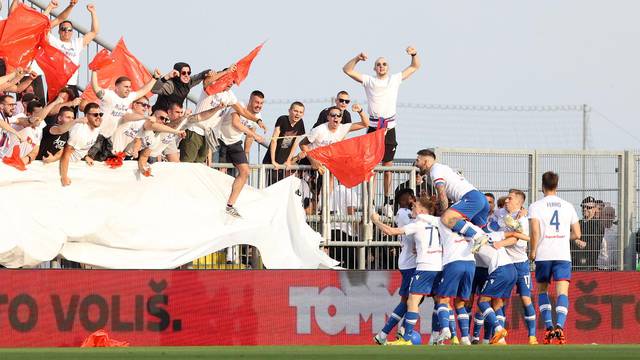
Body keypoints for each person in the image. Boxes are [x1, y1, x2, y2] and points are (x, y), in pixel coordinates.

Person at [343, 46, 420, 215]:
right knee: (370, 166)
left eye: (384, 64)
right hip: (373, 127)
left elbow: (415, 66)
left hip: (389, 127)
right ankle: (369, 200)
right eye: (378, 64)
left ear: (388, 67)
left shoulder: (394, 79)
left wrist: (413, 54)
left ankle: (386, 201)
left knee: (388, 166)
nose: (381, 66)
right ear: (374, 68)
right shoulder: (369, 81)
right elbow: (347, 69)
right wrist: (357, 58)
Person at [371, 197, 441, 346]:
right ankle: (438, 337)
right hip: (438, 266)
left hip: (419, 266)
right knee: (439, 301)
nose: (412, 209)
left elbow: (390, 231)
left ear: (422, 211)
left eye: (414, 207)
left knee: (411, 301)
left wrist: (376, 220)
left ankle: (403, 336)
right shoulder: (438, 222)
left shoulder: (413, 221)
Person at [529, 171, 581, 344]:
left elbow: (535, 232)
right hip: (562, 255)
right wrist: (562, 238)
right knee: (562, 293)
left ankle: (549, 327)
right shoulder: (568, 206)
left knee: (542, 290)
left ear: (542, 186)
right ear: (557, 186)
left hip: (544, 255)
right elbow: (577, 233)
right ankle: (560, 326)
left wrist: (533, 251)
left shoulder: (536, 206)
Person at [414, 149, 490, 253]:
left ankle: (477, 236)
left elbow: (442, 194)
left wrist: (444, 213)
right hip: (479, 198)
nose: (416, 164)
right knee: (484, 232)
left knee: (446, 219)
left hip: (471, 198)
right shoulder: (442, 168)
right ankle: (496, 246)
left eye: (418, 160)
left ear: (426, 161)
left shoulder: (435, 171)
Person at [182, 72, 263, 164]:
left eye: (233, 81)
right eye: (229, 80)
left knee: (198, 168)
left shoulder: (229, 94)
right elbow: (206, 82)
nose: (232, 83)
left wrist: (257, 120)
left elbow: (242, 111)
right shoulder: (211, 87)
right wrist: (227, 71)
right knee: (186, 166)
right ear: (222, 79)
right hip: (195, 130)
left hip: (208, 135)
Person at [493, 189, 537, 345]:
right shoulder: (501, 214)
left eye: (510, 198)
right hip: (505, 264)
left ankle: (532, 336)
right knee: (500, 300)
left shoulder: (523, 220)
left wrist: (499, 244)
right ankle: (501, 336)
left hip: (520, 264)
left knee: (526, 299)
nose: (506, 200)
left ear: (519, 202)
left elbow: (516, 240)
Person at [88, 69, 162, 161]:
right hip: (97, 134)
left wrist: (154, 78)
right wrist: (94, 71)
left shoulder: (129, 98)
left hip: (108, 137)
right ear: (117, 87)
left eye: (130, 87)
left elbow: (143, 91)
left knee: (104, 164)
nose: (129, 89)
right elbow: (96, 88)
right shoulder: (109, 95)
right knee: (90, 160)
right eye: (126, 87)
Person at [373, 188, 416, 344]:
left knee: (414, 300)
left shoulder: (412, 215)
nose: (414, 201)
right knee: (410, 300)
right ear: (404, 200)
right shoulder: (404, 213)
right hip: (410, 263)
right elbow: (414, 231)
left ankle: (397, 332)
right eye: (411, 198)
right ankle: (391, 333)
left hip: (414, 262)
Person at [217, 90, 267, 218]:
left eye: (261, 103)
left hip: (235, 143)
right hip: (220, 139)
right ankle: (216, 201)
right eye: (256, 102)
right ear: (250, 100)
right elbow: (236, 123)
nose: (259, 105)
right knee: (220, 172)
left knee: (245, 171)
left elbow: (249, 135)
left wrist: (247, 153)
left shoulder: (258, 115)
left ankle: (230, 205)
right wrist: (255, 135)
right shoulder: (239, 105)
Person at [474, 230, 525, 345]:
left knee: (482, 302)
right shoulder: (492, 234)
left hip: (500, 270)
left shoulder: (471, 239)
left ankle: (498, 329)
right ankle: (500, 339)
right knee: (498, 304)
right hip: (512, 270)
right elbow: (514, 234)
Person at [46, 1, 99, 96]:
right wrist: (50, 7)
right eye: (63, 29)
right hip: (56, 85)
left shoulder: (77, 44)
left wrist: (93, 12)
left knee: (72, 110)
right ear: (58, 31)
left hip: (72, 85)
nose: (66, 31)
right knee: (54, 110)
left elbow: (94, 32)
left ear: (72, 32)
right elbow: (44, 26)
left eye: (69, 30)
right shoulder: (53, 41)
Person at [298, 104, 369, 173]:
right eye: (333, 115)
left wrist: (360, 111)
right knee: (313, 184)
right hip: (312, 161)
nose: (336, 117)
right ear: (328, 117)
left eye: (338, 115)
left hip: (327, 162)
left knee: (331, 177)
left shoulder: (343, 128)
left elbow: (365, 124)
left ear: (341, 118)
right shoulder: (319, 130)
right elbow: (302, 144)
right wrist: (312, 160)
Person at [151, 62, 231, 112]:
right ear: (177, 73)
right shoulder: (170, 84)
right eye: (183, 73)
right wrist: (167, 76)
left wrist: (207, 73)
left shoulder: (188, 82)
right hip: (158, 117)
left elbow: (199, 76)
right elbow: (154, 90)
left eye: (188, 73)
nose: (186, 75)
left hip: (172, 119)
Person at [59, 102, 102, 186]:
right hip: (63, 166)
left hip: (76, 164)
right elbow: (66, 153)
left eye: (100, 114)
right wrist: (64, 176)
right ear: (86, 116)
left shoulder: (97, 128)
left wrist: (85, 156)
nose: (99, 117)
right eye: (95, 115)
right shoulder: (79, 130)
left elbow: (81, 146)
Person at [262, 102, 306, 183]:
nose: (298, 114)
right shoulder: (282, 119)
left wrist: (289, 160)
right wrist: (273, 161)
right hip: (273, 159)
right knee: (272, 185)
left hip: (284, 161)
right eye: (295, 111)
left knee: (281, 185)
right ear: (289, 111)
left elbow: (295, 143)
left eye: (300, 112)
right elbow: (274, 140)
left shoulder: (300, 123)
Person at [572, 196, 603, 270]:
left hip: (589, 266)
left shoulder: (597, 224)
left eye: (588, 207)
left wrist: (576, 241)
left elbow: (594, 246)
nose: (585, 209)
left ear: (595, 209)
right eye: (583, 207)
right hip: (575, 265)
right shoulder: (578, 223)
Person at [597, 206, 618, 270]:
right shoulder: (597, 229)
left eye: (611, 215)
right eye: (606, 215)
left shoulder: (618, 230)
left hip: (615, 267)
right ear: (602, 215)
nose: (608, 217)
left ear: (614, 217)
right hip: (600, 267)